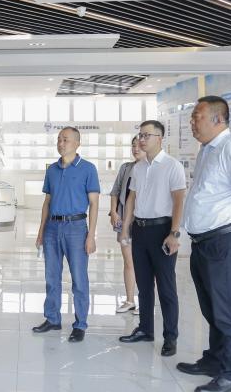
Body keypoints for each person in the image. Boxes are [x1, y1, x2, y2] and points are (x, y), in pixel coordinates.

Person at [177, 96, 231, 392]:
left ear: (217, 119)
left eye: (197, 116)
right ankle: (214, 360)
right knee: (211, 307)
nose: (192, 122)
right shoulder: (207, 150)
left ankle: (230, 376)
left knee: (228, 311)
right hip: (204, 243)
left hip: (225, 241)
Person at [119, 120, 186, 357]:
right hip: (140, 230)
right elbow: (131, 199)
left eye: (146, 135)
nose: (141, 139)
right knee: (144, 285)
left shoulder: (172, 166)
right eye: (140, 135)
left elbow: (179, 200)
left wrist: (174, 233)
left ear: (160, 138)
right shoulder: (138, 168)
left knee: (166, 287)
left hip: (162, 230)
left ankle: (170, 337)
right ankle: (145, 329)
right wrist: (126, 228)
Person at [32, 127, 100, 343]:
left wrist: (91, 236)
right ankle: (52, 318)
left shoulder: (88, 169)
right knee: (51, 277)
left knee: (79, 279)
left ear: (77, 143)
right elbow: (47, 202)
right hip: (52, 228)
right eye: (59, 139)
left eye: (66, 140)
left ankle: (80, 324)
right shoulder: (51, 170)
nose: (61, 143)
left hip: (76, 228)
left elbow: (94, 203)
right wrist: (41, 231)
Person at [108, 136, 146, 315]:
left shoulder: (152, 168)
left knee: (145, 264)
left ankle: (145, 302)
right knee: (129, 262)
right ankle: (130, 300)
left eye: (139, 146)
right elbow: (115, 192)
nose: (136, 149)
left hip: (145, 221)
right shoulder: (126, 168)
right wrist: (114, 212)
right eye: (133, 145)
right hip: (124, 221)